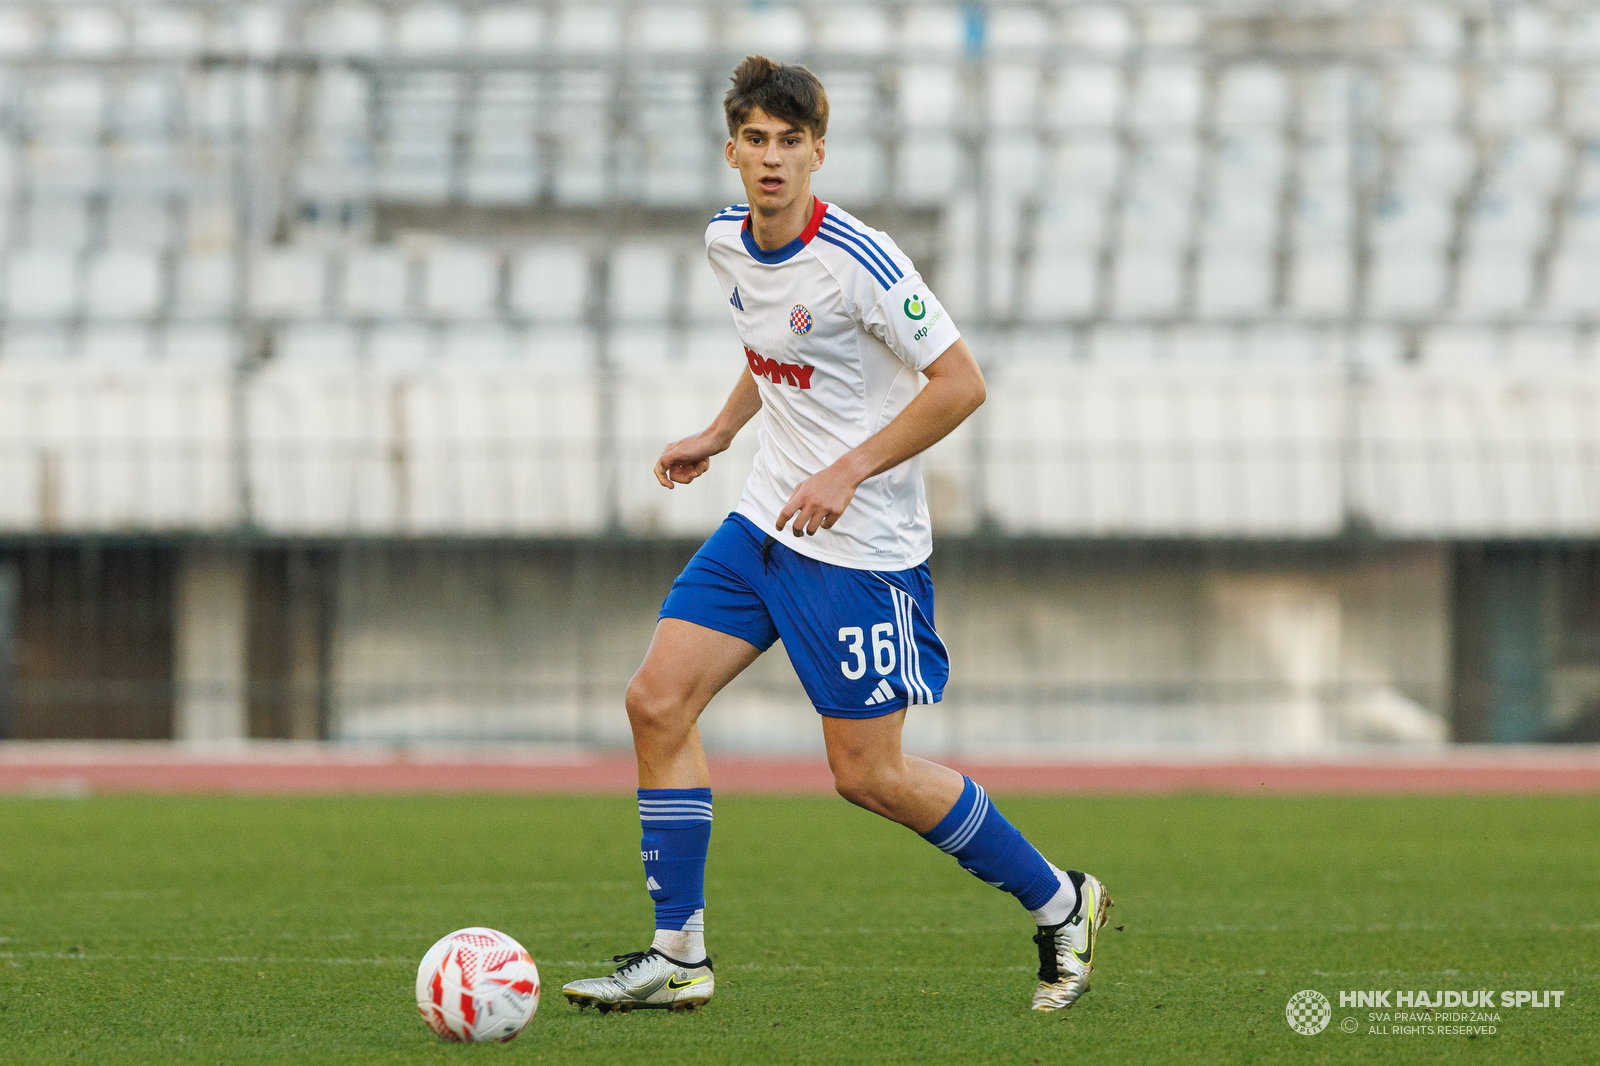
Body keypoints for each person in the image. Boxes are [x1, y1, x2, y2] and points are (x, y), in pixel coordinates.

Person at [561, 55, 1111, 1015]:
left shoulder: (864, 260)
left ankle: (1062, 901)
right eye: (756, 141)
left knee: (869, 775)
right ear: (732, 151)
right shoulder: (727, 243)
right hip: (765, 523)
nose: (772, 159)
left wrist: (850, 468)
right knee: (655, 702)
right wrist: (722, 431)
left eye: (791, 142)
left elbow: (961, 384)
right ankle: (678, 953)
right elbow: (774, 346)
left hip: (861, 550)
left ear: (819, 152)